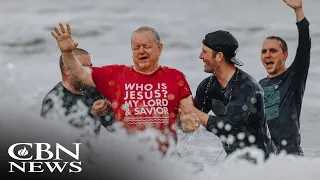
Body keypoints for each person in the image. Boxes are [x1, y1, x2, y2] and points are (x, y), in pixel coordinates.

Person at [50, 24, 193, 153]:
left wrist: (187, 125)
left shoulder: (175, 77)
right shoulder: (115, 76)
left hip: (166, 157)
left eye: (146, 46)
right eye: (136, 48)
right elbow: (78, 73)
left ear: (159, 48)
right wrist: (67, 53)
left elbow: (188, 119)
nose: (141, 51)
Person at [179, 30, 277, 158]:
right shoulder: (207, 86)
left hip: (262, 162)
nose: (200, 56)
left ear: (219, 56)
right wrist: (183, 122)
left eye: (204, 52)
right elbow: (192, 119)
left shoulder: (247, 88)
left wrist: (192, 111)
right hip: (234, 160)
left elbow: (230, 128)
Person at [258, 0, 311, 156]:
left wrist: (298, 10)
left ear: (285, 55)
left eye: (273, 51)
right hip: (269, 160)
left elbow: (304, 48)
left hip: (291, 157)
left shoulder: (293, 78)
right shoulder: (258, 86)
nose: (267, 55)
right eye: (264, 51)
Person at [41, 48, 115, 135]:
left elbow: (116, 129)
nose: (90, 72)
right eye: (83, 67)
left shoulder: (94, 90)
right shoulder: (54, 100)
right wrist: (92, 114)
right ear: (66, 70)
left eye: (90, 66)